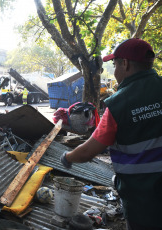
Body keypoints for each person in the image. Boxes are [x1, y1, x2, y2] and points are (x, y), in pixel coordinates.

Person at [60, 38, 162, 230]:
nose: (114, 71)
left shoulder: (119, 103)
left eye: (114, 65)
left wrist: (67, 157)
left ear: (125, 64)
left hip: (143, 198)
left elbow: (89, 151)